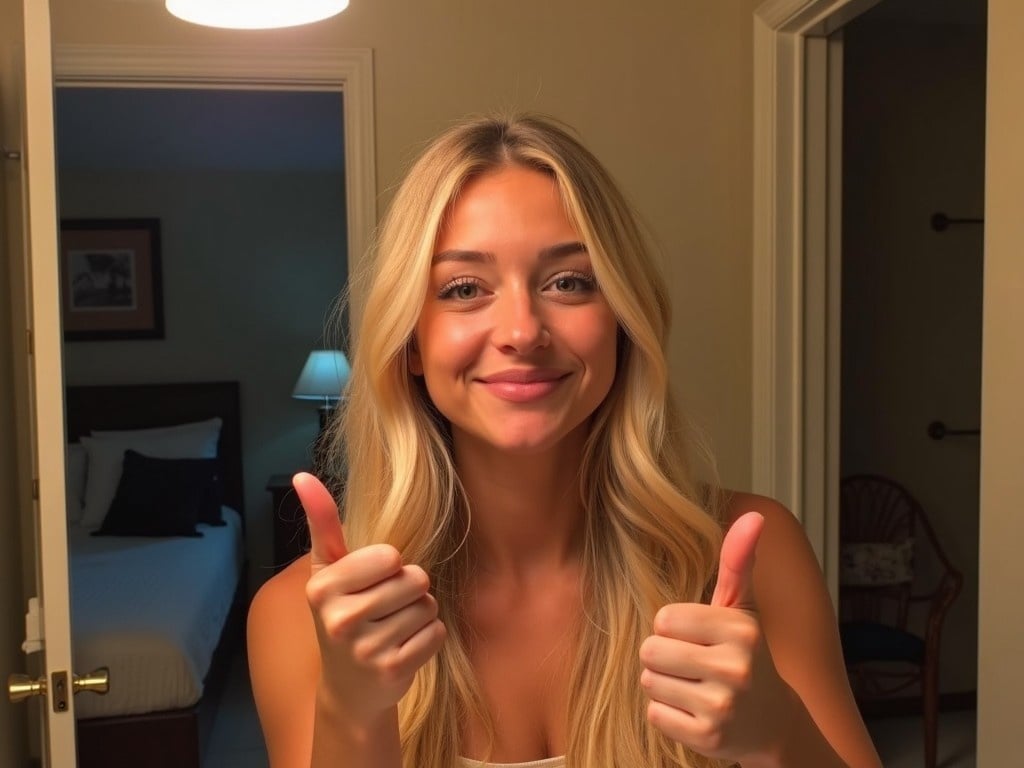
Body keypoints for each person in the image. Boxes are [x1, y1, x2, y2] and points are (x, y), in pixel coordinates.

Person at [247, 113, 882, 768]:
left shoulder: (752, 553)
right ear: (412, 341)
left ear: (622, 322)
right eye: (465, 288)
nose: (522, 331)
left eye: (569, 282)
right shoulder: (304, 616)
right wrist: (353, 715)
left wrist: (779, 737)